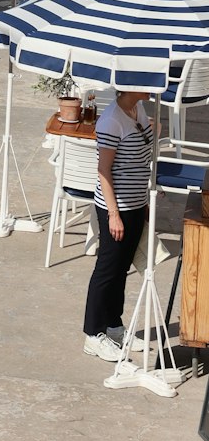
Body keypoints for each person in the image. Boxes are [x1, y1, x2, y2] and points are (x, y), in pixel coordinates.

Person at [83, 88, 153, 361]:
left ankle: (114, 326)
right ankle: (93, 333)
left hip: (135, 203)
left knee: (121, 269)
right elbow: (104, 171)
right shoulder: (111, 120)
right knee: (107, 270)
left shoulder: (138, 109)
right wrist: (113, 214)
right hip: (117, 207)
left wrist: (143, 200)